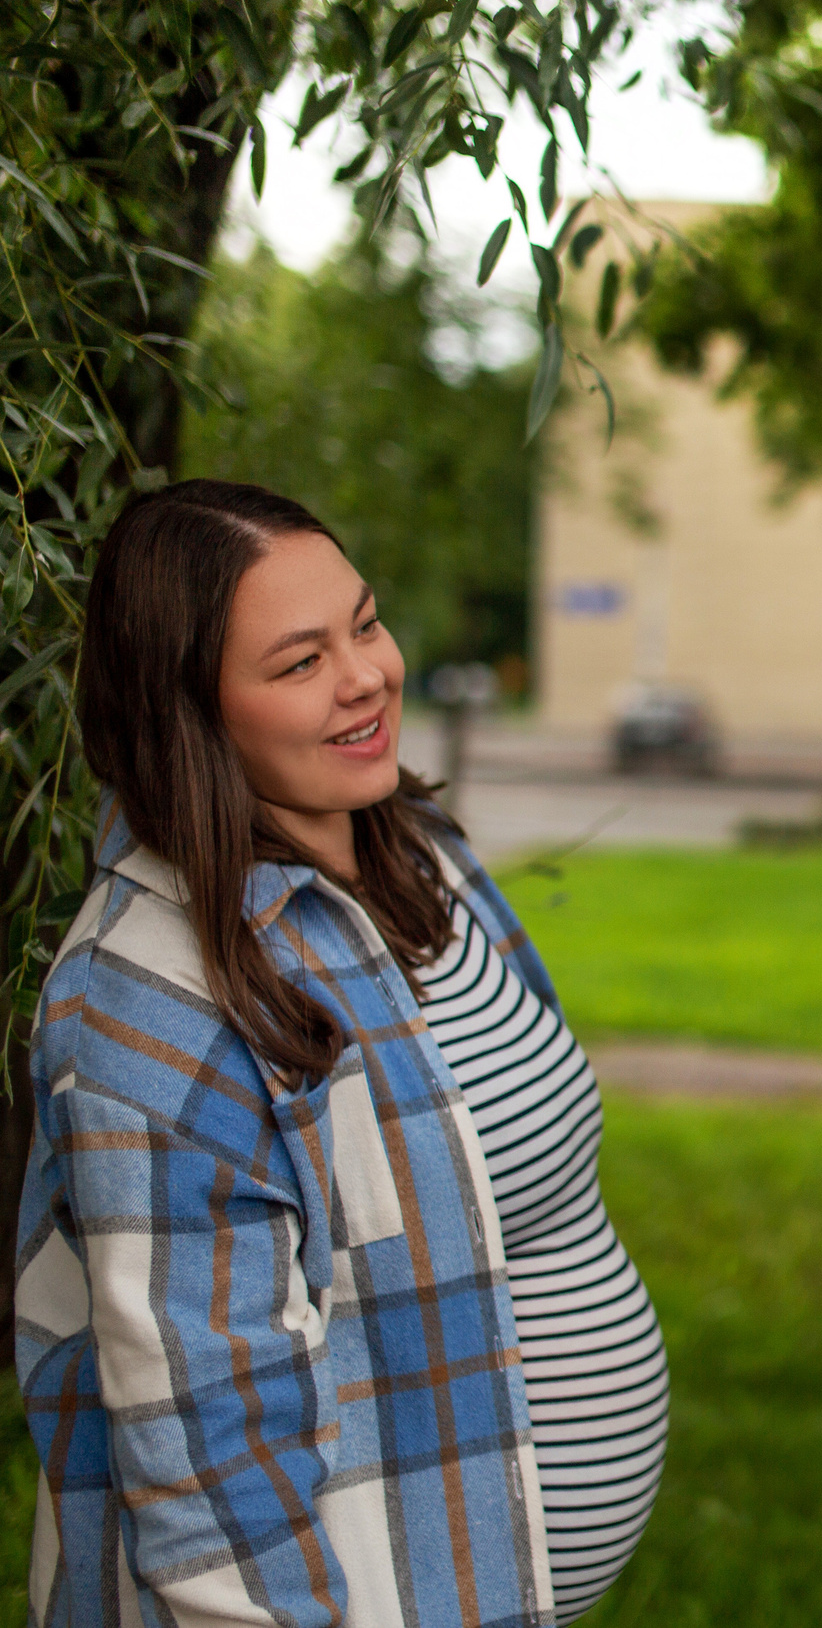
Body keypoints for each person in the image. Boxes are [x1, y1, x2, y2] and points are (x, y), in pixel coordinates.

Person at [16, 481, 668, 1625]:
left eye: (364, 623)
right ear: (193, 715)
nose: (366, 674)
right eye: (300, 661)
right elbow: (212, 1475)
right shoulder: (147, 1007)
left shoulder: (426, 858)